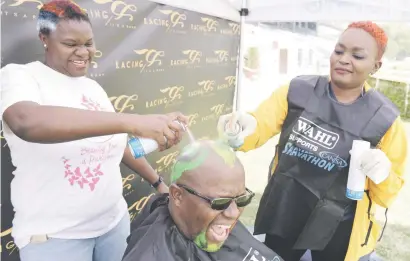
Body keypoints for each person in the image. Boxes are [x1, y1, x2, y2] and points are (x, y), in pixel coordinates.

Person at [0, 1, 188, 261]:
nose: (83, 52)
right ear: (44, 38)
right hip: (55, 237)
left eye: (88, 43)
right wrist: (132, 121)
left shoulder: (92, 88)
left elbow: (118, 142)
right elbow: (25, 121)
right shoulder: (20, 76)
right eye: (70, 44)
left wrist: (158, 183)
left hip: (113, 225)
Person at [218, 21, 407, 261]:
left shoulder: (386, 121)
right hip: (286, 209)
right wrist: (239, 129)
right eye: (339, 51)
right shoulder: (298, 91)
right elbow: (256, 127)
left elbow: (388, 193)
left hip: (341, 226)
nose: (344, 59)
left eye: (357, 55)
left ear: (376, 66)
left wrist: (382, 173)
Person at [122, 140, 283, 261]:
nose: (234, 213)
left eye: (242, 199)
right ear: (178, 195)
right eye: (220, 202)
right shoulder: (151, 253)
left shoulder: (216, 214)